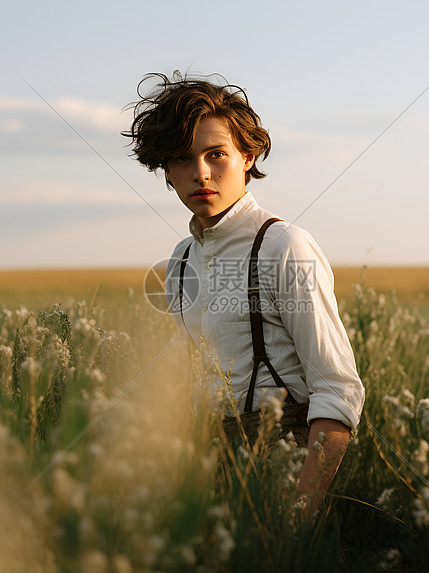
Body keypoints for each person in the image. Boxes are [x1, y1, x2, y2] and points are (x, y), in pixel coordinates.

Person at [122, 72, 365, 517]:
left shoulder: (283, 245)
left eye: (217, 155)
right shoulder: (179, 261)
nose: (200, 173)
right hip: (208, 474)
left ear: (247, 157)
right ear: (166, 172)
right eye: (181, 158)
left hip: (283, 461)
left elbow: (337, 389)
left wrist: (301, 510)